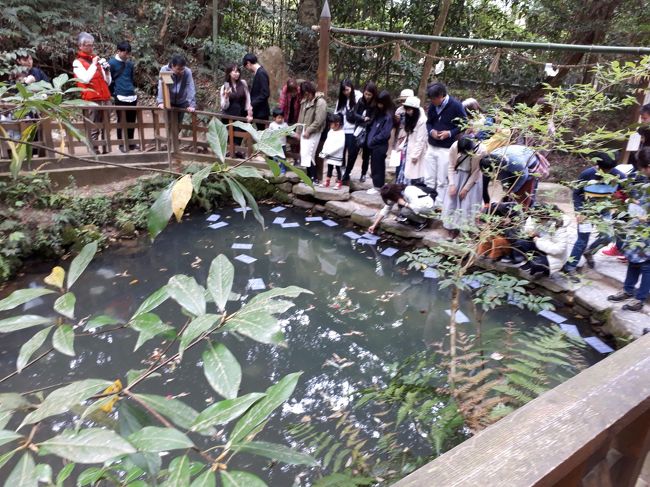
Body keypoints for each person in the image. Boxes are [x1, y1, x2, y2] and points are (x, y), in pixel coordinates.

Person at [562, 152, 626, 279]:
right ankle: (569, 267)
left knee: (608, 236)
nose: (607, 172)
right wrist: (579, 212)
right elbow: (576, 193)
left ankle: (589, 252)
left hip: (604, 209)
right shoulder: (587, 174)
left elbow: (626, 191)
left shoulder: (619, 175)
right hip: (586, 210)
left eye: (610, 169)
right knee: (582, 240)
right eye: (604, 169)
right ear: (598, 164)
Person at [607, 148, 650, 312]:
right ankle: (627, 290)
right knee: (633, 259)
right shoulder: (641, 180)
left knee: (647, 265)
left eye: (643, 168)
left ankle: (639, 299)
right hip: (638, 227)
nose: (642, 171)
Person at [424, 82, 467, 206]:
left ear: (441, 96)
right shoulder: (432, 106)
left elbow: (464, 124)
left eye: (434, 99)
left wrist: (449, 133)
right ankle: (427, 201)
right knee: (429, 177)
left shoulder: (456, 106)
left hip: (446, 148)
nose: (432, 101)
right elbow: (429, 123)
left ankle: (439, 205)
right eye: (431, 99)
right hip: (432, 145)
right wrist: (431, 131)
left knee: (442, 179)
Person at [73, 32, 112, 150]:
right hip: (91, 99)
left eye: (92, 45)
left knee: (106, 125)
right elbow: (85, 79)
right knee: (93, 126)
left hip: (105, 97)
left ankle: (106, 148)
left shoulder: (96, 61)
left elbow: (107, 82)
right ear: (80, 46)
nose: (91, 48)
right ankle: (94, 150)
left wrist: (107, 71)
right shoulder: (77, 62)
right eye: (88, 45)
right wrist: (94, 65)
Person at [441, 136, 487, 236]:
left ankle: (466, 229)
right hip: (457, 174)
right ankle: (452, 228)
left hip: (473, 178)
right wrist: (452, 184)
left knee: (468, 203)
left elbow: (477, 171)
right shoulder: (455, 146)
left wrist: (466, 189)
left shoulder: (481, 150)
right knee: (451, 201)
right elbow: (451, 166)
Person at [511, 204, 570, 277]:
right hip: (542, 246)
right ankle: (527, 261)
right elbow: (528, 227)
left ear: (546, 218)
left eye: (537, 220)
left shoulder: (559, 226)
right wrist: (530, 231)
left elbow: (558, 250)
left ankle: (542, 269)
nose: (535, 222)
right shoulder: (536, 217)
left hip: (554, 256)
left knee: (537, 264)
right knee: (520, 242)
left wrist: (539, 241)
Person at [342, 81, 378, 184]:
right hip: (357, 130)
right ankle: (347, 173)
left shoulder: (375, 105)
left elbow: (372, 120)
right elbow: (354, 114)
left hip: (369, 131)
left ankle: (363, 173)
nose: (367, 96)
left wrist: (365, 121)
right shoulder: (360, 101)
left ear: (373, 94)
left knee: (366, 155)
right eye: (366, 93)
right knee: (352, 153)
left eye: (369, 95)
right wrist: (362, 118)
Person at [368, 183, 436, 233]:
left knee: (404, 211)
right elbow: (386, 209)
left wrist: (405, 204)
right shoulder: (395, 195)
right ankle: (415, 219)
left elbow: (418, 208)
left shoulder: (409, 191)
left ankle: (422, 221)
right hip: (417, 208)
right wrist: (374, 225)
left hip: (427, 208)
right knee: (402, 210)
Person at [108, 41, 138, 152]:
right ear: (118, 51)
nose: (127, 56)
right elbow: (109, 80)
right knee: (121, 120)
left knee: (131, 120)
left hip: (131, 94)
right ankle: (121, 144)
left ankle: (131, 143)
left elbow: (131, 78)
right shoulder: (111, 63)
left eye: (128, 54)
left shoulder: (130, 64)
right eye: (125, 53)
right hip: (119, 95)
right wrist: (112, 94)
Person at [297, 81, 327, 182]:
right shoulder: (304, 101)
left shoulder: (320, 102)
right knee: (304, 154)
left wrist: (309, 130)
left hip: (314, 132)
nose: (306, 95)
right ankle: (309, 177)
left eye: (307, 93)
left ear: (311, 91)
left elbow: (319, 120)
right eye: (304, 93)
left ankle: (314, 178)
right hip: (304, 131)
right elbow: (301, 117)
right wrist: (298, 130)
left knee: (309, 154)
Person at [156, 54, 196, 128]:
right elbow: (162, 86)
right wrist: (161, 101)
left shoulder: (187, 72)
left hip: (181, 101)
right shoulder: (165, 70)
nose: (181, 71)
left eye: (182, 69)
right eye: (178, 69)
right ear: (172, 66)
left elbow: (190, 87)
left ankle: (174, 138)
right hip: (169, 101)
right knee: (169, 125)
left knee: (178, 126)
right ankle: (170, 139)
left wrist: (191, 104)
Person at [366, 90, 394, 194]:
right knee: (374, 165)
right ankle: (376, 185)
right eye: (378, 103)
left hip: (380, 145)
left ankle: (378, 186)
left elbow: (385, 134)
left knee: (378, 166)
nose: (379, 105)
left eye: (381, 103)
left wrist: (373, 140)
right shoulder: (378, 113)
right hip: (374, 145)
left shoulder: (388, 116)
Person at [395, 96, 428, 185]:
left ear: (415, 109)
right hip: (408, 149)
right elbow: (409, 135)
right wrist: (401, 146)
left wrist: (415, 155)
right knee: (405, 171)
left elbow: (421, 140)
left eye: (409, 110)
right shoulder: (411, 118)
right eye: (406, 109)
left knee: (414, 174)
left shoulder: (422, 121)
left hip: (416, 153)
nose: (407, 112)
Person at [335, 80, 362, 183]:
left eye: (347, 90)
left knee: (352, 153)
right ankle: (342, 171)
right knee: (340, 151)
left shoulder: (359, 97)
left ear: (351, 87)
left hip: (354, 130)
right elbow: (337, 113)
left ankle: (348, 172)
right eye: (343, 91)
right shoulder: (341, 100)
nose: (346, 92)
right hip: (343, 130)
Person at [242, 53, 270, 129]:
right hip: (257, 111)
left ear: (248, 63)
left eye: (246, 67)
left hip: (261, 112)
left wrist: (252, 104)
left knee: (262, 135)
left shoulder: (261, 73)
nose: (247, 69)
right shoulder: (258, 73)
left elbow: (265, 93)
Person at [319, 113, 346, 189]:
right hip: (328, 153)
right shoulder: (330, 132)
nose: (330, 125)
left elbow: (340, 145)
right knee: (329, 167)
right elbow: (326, 142)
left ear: (337, 124)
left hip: (337, 155)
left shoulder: (341, 133)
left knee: (338, 168)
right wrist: (323, 151)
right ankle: (327, 181)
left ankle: (339, 182)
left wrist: (329, 152)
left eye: (331, 124)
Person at [268, 107, 289, 174]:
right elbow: (269, 133)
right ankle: (276, 169)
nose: (280, 119)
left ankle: (283, 170)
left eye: (281, 118)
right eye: (279, 118)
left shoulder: (285, 125)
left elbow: (289, 131)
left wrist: (295, 135)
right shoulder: (272, 125)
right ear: (274, 118)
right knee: (275, 158)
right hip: (275, 145)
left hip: (282, 145)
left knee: (283, 158)